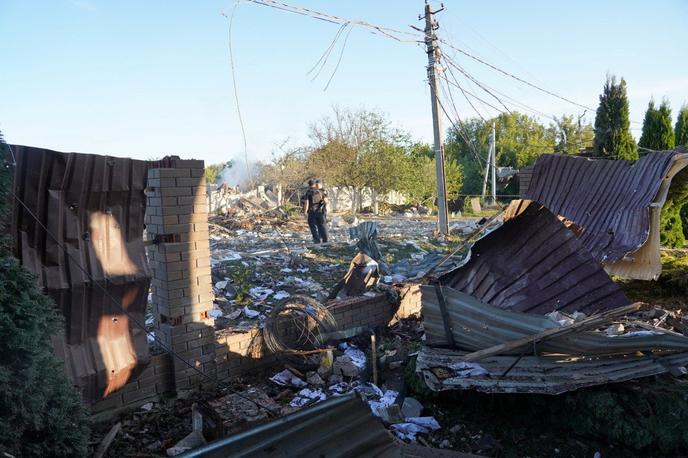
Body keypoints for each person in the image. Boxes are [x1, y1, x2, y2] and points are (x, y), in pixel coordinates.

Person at [301, 179, 328, 244]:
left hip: (312, 211)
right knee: (322, 225)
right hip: (321, 211)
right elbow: (326, 201)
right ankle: (325, 240)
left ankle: (317, 240)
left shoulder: (308, 192)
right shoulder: (322, 191)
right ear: (315, 184)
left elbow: (306, 203)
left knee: (312, 226)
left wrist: (305, 212)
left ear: (309, 185)